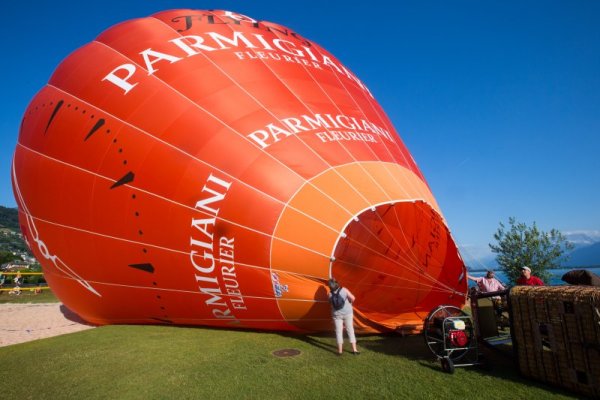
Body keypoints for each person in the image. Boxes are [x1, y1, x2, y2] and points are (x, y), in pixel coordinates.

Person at [327, 278, 359, 355]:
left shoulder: (330, 294)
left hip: (336, 315)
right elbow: (353, 298)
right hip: (348, 313)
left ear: (330, 286)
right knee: (350, 330)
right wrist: (349, 302)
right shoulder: (344, 290)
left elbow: (330, 303)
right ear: (336, 283)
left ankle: (340, 351)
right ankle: (354, 350)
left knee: (338, 332)